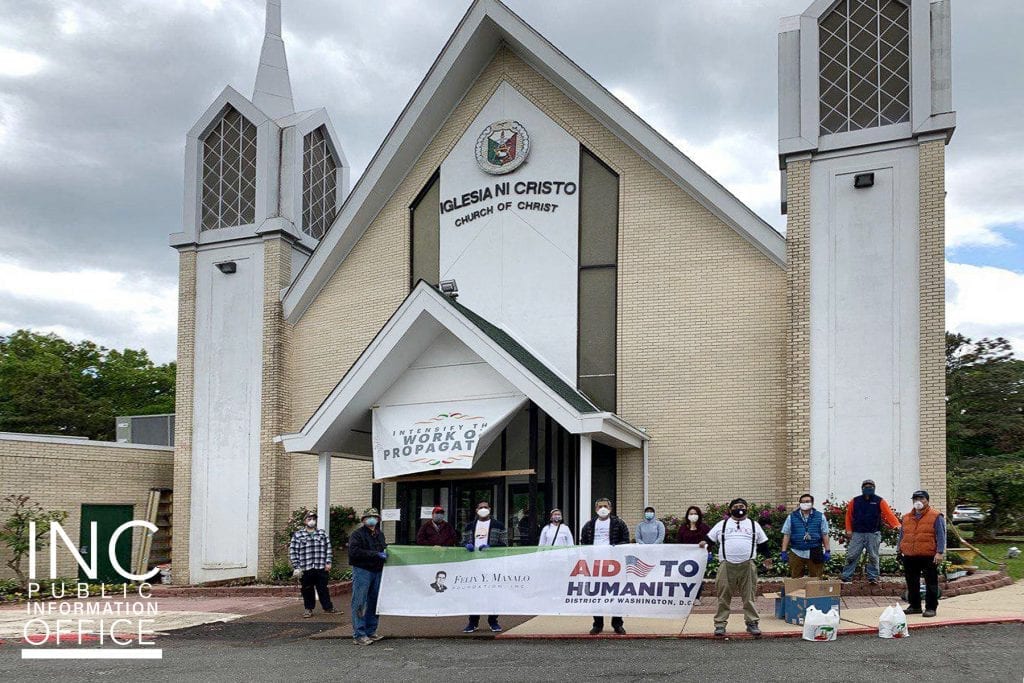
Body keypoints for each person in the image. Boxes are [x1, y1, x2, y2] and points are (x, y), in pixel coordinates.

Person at [703, 498, 773, 637]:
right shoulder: (722, 525)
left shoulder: (754, 525)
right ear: (730, 510)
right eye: (735, 506)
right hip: (726, 565)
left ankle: (752, 623)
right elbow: (709, 540)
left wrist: (768, 559)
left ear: (747, 508)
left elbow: (763, 544)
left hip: (747, 565)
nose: (739, 508)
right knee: (723, 596)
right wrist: (702, 545)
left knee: (749, 596)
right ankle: (720, 624)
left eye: (742, 506)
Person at [580, 497, 630, 635]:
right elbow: (583, 543)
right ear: (596, 509)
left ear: (610, 508)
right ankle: (598, 624)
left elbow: (625, 541)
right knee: (596, 594)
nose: (603, 509)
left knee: (616, 594)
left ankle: (617, 624)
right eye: (600, 506)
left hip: (613, 565)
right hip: (595, 565)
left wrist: (615, 548)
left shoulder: (619, 524)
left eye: (605, 506)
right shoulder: (589, 525)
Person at [842, 478, 902, 584]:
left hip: (873, 533)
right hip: (857, 533)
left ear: (874, 488)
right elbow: (848, 516)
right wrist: (848, 530)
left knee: (873, 556)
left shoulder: (879, 500)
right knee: (852, 555)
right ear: (862, 488)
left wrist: (896, 525)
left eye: (871, 487)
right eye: (866, 487)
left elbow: (888, 514)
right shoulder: (855, 501)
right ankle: (846, 576)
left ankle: (873, 577)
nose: (868, 488)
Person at [461, 500, 507, 633]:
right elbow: (462, 542)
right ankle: (473, 622)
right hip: (474, 564)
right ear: (476, 510)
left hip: (492, 564)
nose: (483, 509)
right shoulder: (469, 526)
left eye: (485, 507)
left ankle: (493, 621)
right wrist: (466, 546)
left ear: (490, 509)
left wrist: (491, 547)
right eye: (480, 507)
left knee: (493, 592)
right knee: (474, 593)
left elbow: (504, 544)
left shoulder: (498, 525)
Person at [898, 490, 945, 617]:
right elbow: (902, 535)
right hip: (910, 555)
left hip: (928, 555)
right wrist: (899, 550)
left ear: (927, 500)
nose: (918, 501)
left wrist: (939, 552)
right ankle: (915, 606)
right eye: (915, 499)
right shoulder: (906, 517)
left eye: (921, 498)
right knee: (912, 582)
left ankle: (931, 607)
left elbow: (941, 535)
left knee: (931, 582)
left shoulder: (936, 516)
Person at [347, 507, 388, 646]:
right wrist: (375, 554)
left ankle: (371, 630)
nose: (372, 519)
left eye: (375, 517)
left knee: (375, 601)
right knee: (359, 602)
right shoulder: (357, 535)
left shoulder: (379, 534)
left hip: (377, 570)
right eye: (369, 517)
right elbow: (354, 552)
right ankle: (359, 634)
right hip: (362, 570)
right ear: (363, 520)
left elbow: (383, 548)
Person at [288, 510, 336, 618]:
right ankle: (308, 609)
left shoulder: (322, 533)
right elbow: (293, 551)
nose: (312, 521)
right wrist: (296, 566)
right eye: (309, 519)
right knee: (307, 588)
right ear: (305, 521)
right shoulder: (298, 535)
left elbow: (328, 548)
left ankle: (328, 607)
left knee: (323, 588)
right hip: (306, 567)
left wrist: (328, 562)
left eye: (314, 519)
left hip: (320, 566)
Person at [780, 494, 831, 578]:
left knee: (816, 578)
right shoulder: (791, 517)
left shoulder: (820, 516)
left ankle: (814, 591)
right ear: (799, 503)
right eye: (802, 502)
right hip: (796, 551)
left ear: (812, 503)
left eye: (807, 501)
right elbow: (787, 534)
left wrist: (827, 550)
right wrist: (784, 551)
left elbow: (824, 534)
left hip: (815, 551)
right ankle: (797, 591)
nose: (805, 503)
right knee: (795, 579)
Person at [676, 506, 711, 605]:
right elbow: (679, 542)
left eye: (695, 514)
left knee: (697, 577)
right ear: (687, 515)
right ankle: (687, 596)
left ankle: (697, 597)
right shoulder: (683, 528)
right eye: (691, 514)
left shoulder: (704, 527)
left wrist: (706, 546)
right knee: (685, 577)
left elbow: (710, 540)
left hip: (699, 557)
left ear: (699, 515)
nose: (693, 516)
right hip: (685, 557)